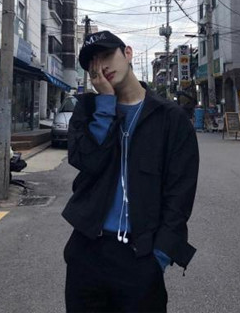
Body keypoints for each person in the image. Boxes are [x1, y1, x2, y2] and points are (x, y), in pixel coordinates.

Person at [62, 30, 199, 312]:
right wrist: (105, 104)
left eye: (107, 55)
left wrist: (159, 256)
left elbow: (180, 193)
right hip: (87, 251)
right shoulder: (87, 111)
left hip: (141, 256)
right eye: (93, 63)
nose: (102, 66)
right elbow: (88, 162)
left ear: (127, 53)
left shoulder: (170, 117)